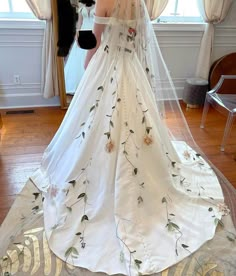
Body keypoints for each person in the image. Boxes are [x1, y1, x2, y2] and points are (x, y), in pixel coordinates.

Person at [0, 0, 235, 275]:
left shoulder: (105, 2)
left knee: (97, 124)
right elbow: (139, 43)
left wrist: (88, 69)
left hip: (108, 65)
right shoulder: (138, 3)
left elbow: (96, 41)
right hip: (131, 68)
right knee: (136, 123)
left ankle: (101, 176)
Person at [64, 2, 95, 94]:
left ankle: (89, 88)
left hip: (94, 34)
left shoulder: (99, 4)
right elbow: (79, 23)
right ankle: (76, 86)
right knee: (78, 60)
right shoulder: (82, 7)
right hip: (83, 34)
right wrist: (77, 35)